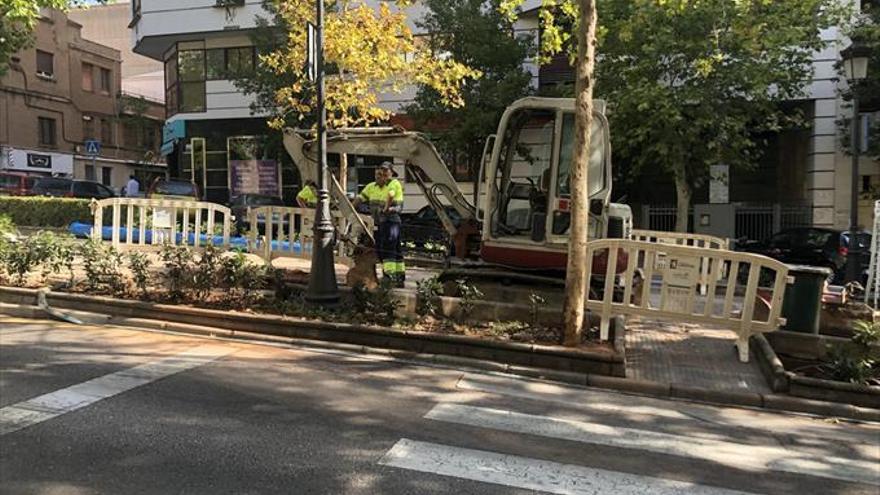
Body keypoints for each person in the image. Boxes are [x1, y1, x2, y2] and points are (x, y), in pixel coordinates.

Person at [352, 162, 405, 287]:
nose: (381, 176)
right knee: (388, 249)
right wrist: (351, 207)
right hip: (379, 223)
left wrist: (387, 208)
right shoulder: (371, 187)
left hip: (391, 221)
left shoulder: (394, 183)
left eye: (384, 173)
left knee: (388, 250)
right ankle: (398, 277)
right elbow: (360, 198)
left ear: (391, 174)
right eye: (379, 173)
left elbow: (391, 195)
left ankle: (390, 277)